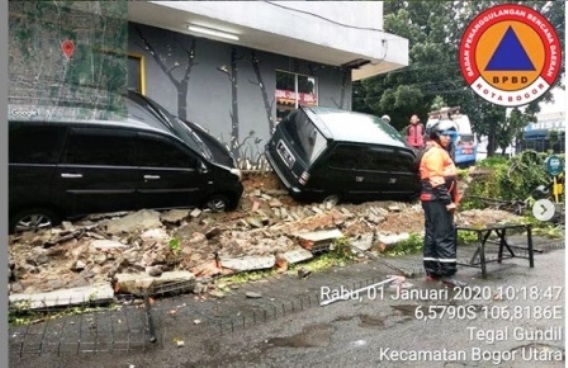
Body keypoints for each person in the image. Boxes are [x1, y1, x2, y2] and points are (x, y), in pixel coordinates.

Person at [418, 120, 467, 288]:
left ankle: (433, 271)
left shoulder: (437, 151)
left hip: (432, 199)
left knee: (433, 235)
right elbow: (436, 180)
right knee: (445, 235)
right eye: (445, 135)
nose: (448, 138)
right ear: (436, 135)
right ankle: (448, 275)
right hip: (437, 200)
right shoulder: (435, 154)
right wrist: (448, 202)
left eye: (451, 136)